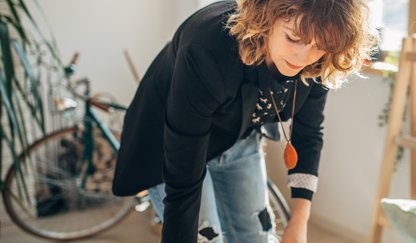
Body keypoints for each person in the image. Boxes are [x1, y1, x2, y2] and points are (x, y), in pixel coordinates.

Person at [111, 0, 377, 242]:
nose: (302, 58)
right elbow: (183, 178)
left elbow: (308, 134)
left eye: (319, 46)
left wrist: (299, 221)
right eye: (293, 38)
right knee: (206, 238)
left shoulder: (318, 58)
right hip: (172, 144)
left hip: (238, 139)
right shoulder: (207, 48)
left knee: (257, 237)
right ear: (267, 17)